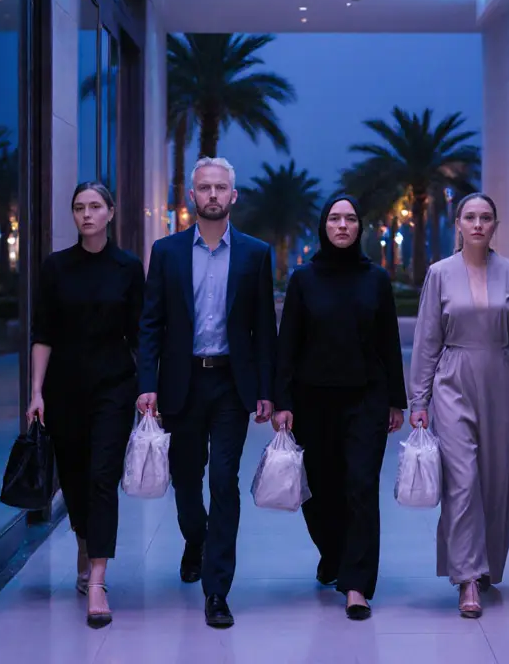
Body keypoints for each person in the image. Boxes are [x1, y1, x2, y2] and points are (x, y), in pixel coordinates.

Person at [137, 156, 277, 629]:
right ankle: (194, 539)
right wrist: (147, 385)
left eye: (221, 188)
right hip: (182, 382)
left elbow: (264, 328)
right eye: (204, 188)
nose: (213, 195)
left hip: (230, 384)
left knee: (223, 480)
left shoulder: (256, 254)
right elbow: (150, 324)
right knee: (185, 481)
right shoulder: (167, 251)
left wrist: (265, 390)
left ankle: (217, 590)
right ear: (191, 196)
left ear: (233, 196)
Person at [408, 192, 509, 619]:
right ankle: (467, 577)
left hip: (501, 379)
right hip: (453, 380)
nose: (478, 224)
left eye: (486, 217)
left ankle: (487, 564)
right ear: (458, 224)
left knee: (497, 479)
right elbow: (427, 340)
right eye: (470, 217)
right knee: (463, 480)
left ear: (495, 225)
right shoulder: (439, 274)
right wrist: (419, 398)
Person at [272, 195, 407, 621]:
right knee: (319, 490)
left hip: (366, 396)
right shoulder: (304, 280)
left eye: (350, 219)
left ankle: (356, 585)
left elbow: (388, 342)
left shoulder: (376, 280)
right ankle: (333, 554)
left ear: (359, 227)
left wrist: (396, 401)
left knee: (362, 487)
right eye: (335, 218)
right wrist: (283, 402)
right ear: (324, 226)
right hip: (313, 400)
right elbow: (287, 346)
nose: (343, 225)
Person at [26, 182, 144, 629]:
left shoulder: (128, 267)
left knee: (101, 478)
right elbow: (43, 333)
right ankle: (84, 539)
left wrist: (148, 389)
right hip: (64, 389)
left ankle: (98, 579)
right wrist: (36, 392)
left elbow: (140, 334)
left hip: (114, 386)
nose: (87, 214)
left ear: (110, 212)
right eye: (79, 208)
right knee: (74, 478)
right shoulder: (56, 268)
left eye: (95, 206)